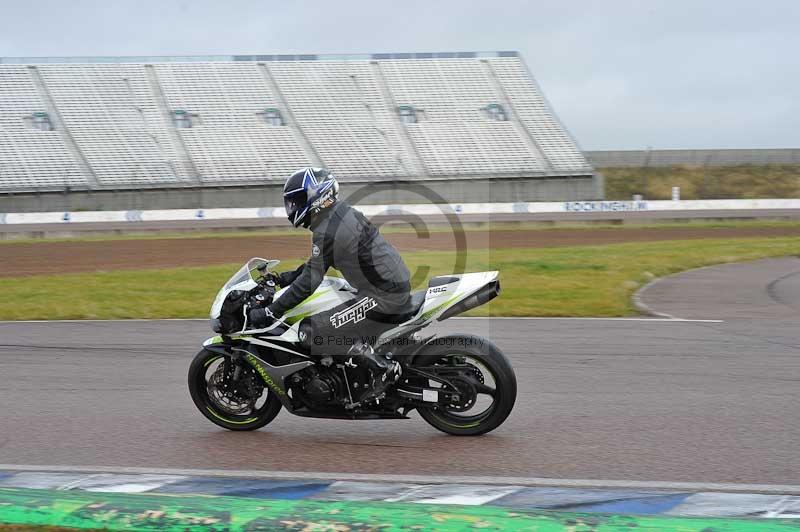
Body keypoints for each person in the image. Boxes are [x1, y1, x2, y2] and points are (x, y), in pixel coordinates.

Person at [248, 167, 413, 401]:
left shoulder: (328, 230)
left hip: (383, 296)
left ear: (317, 196)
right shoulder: (340, 214)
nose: (292, 207)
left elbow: (310, 282)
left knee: (311, 331)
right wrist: (282, 279)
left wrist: (271, 310)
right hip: (388, 289)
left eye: (297, 200)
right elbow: (316, 265)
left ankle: (381, 368)